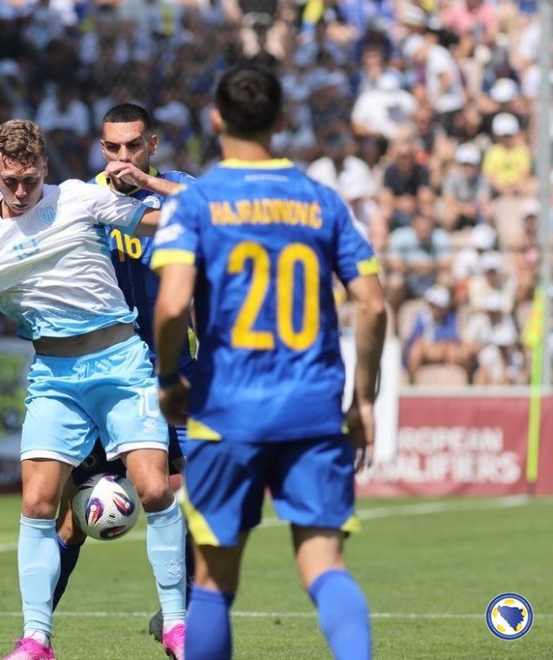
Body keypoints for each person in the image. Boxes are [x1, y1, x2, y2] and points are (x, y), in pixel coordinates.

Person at [0, 119, 187, 660]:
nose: (21, 192)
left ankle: (178, 626)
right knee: (38, 503)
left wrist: (149, 183)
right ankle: (36, 639)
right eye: (10, 181)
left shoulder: (79, 199)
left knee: (154, 489)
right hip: (55, 378)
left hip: (121, 365)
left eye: (30, 179)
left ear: (45, 166)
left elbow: (179, 218)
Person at [152, 64, 387, 660]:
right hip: (312, 410)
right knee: (325, 565)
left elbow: (173, 304)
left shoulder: (196, 202)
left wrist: (168, 379)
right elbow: (373, 303)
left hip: (226, 411)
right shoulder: (322, 202)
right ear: (282, 119)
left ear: (215, 119)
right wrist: (363, 400)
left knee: (213, 582)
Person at [47, 103, 196, 642]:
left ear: (152, 144)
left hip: (180, 373)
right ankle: (36, 635)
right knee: (74, 519)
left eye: (134, 145)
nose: (123, 156)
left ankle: (181, 614)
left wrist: (148, 184)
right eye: (113, 147)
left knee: (206, 502)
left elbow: (217, 210)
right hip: (109, 378)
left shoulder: (177, 189)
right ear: (101, 147)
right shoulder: (84, 199)